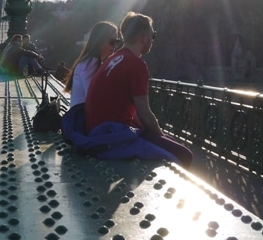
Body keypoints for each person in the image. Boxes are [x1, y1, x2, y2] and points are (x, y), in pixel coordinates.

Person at [83, 12, 193, 169]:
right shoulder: (135, 65)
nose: (153, 40)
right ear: (144, 37)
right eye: (152, 35)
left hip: (97, 133)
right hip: (111, 138)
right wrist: (162, 137)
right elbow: (145, 114)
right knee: (183, 155)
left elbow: (132, 113)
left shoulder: (112, 59)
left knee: (169, 144)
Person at [64, 21, 118, 107]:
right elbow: (93, 96)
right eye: (112, 42)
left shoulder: (89, 60)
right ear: (100, 40)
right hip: (83, 117)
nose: (115, 46)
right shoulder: (91, 62)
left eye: (117, 42)